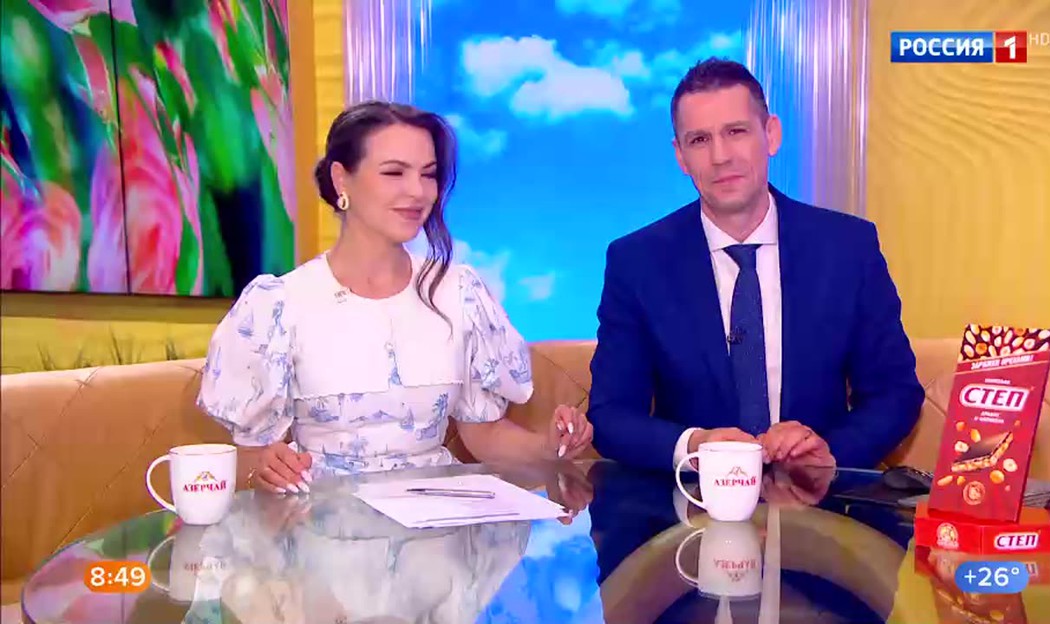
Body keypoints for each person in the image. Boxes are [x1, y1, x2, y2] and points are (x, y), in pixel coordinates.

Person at [198, 101, 593, 494]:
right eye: (394, 172)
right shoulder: (280, 304)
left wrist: (549, 447)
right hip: (323, 516)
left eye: (428, 174)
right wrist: (267, 467)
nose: (417, 191)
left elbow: (484, 435)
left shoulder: (459, 292)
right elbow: (252, 456)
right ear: (341, 179)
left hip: (439, 512)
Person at [588, 57, 923, 472]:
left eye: (736, 132)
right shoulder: (637, 262)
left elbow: (895, 393)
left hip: (824, 504)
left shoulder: (848, 247)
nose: (720, 156)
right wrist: (695, 445)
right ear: (681, 156)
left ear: (771, 134)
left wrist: (829, 454)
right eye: (699, 140)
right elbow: (611, 415)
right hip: (690, 504)